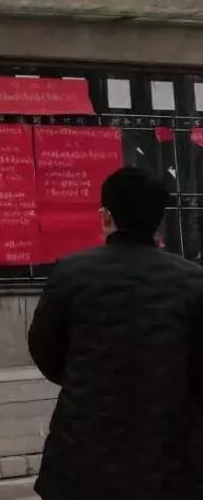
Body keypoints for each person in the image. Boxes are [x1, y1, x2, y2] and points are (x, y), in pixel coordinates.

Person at [29, 166, 203, 500]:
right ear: (158, 220)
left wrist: (84, 378)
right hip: (169, 456)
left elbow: (44, 348)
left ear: (106, 215)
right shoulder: (193, 281)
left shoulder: (71, 273)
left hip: (83, 453)